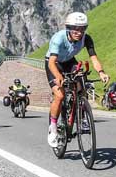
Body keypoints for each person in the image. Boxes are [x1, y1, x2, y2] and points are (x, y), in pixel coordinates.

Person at [45, 12, 110, 147]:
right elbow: (51, 62)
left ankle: (82, 116)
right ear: (68, 28)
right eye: (75, 28)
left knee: (82, 82)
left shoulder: (87, 39)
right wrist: (58, 76)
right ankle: (53, 126)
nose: (79, 32)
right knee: (60, 94)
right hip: (54, 63)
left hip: (69, 61)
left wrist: (101, 72)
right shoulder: (58, 38)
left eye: (82, 29)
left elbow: (94, 58)